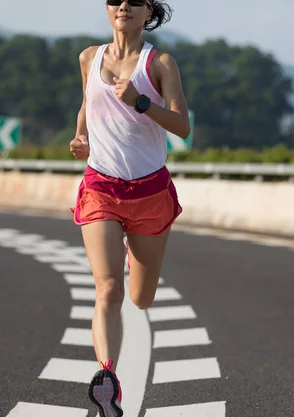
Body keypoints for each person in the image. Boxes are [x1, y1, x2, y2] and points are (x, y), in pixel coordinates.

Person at [68, 1, 190, 416]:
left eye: (134, 0)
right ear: (107, 9)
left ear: (147, 10)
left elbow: (182, 126)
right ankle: (108, 378)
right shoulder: (90, 57)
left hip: (150, 192)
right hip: (100, 185)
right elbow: (87, 103)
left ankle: (137, 266)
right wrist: (80, 135)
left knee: (141, 297)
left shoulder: (161, 63)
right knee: (107, 288)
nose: (123, 6)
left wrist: (140, 102)